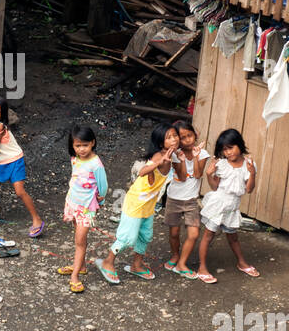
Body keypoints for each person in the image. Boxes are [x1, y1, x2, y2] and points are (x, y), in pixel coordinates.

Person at [97, 123, 179, 285]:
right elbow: (142, 172)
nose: (174, 139)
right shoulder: (159, 157)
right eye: (169, 137)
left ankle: (137, 264)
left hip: (148, 205)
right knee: (127, 237)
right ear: (161, 143)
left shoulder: (173, 155)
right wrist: (158, 162)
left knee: (145, 235)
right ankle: (107, 262)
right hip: (135, 203)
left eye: (175, 135)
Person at [0, 95, 45, 237]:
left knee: (19, 191)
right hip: (2, 162)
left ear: (2, 114)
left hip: (15, 160)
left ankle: (37, 219)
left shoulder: (0, 127)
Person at [196, 128, 259, 284]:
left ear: (239, 145)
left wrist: (252, 174)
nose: (228, 152)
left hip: (232, 207)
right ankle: (202, 268)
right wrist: (209, 175)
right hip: (218, 204)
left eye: (231, 147)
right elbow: (215, 187)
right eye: (224, 150)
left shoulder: (249, 165)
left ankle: (241, 263)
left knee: (233, 237)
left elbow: (249, 189)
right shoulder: (222, 164)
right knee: (208, 236)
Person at [59, 125, 107, 294]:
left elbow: (103, 187)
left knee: (80, 241)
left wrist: (99, 202)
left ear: (92, 143)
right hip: (72, 202)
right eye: (78, 146)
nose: (82, 149)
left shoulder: (96, 164)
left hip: (86, 208)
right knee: (77, 236)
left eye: (85, 145)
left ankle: (75, 276)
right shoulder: (75, 158)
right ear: (72, 146)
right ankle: (82, 266)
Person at [166, 120, 209, 278]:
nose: (187, 140)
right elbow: (183, 177)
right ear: (178, 140)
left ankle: (181, 264)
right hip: (174, 198)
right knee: (174, 232)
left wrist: (196, 157)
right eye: (183, 138)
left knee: (193, 234)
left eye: (189, 135)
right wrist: (182, 159)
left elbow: (198, 174)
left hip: (191, 200)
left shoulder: (203, 154)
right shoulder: (176, 156)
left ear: (195, 135)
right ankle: (175, 256)